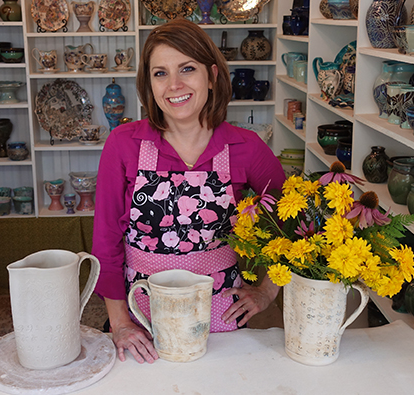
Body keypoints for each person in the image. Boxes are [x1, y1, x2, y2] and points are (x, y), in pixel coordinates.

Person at [92, 19, 286, 364]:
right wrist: (120, 322)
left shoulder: (247, 147)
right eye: (160, 73)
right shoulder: (124, 144)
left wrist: (267, 291)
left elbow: (294, 219)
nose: (174, 85)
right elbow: (106, 240)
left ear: (212, 76)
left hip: (221, 319)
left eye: (187, 69)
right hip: (142, 319)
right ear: (148, 84)